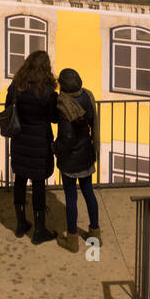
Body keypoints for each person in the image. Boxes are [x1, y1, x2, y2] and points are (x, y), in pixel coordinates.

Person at [5, 49, 58, 245]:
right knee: (38, 185)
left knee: (19, 180)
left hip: (20, 140)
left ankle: (20, 224)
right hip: (39, 142)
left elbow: (8, 108)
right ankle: (39, 230)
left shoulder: (16, 86)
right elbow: (53, 117)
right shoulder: (47, 91)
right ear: (46, 68)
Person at [53, 68, 100, 254]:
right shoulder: (88, 96)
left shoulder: (64, 106)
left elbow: (67, 139)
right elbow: (92, 124)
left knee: (71, 198)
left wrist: (54, 148)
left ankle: (72, 239)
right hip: (87, 153)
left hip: (71, 160)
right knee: (89, 193)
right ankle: (95, 233)